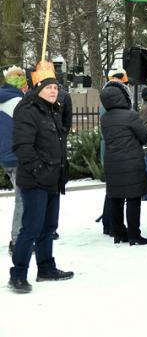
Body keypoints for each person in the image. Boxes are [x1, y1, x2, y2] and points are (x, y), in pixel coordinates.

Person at [8, 61, 74, 293]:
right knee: (31, 228)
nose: (54, 91)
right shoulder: (28, 110)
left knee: (48, 228)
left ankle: (46, 268)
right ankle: (18, 274)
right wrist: (39, 170)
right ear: (38, 89)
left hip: (53, 178)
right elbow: (22, 146)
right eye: (48, 88)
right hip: (35, 181)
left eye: (55, 87)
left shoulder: (52, 110)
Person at [100, 83, 147, 246]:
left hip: (112, 162)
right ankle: (134, 234)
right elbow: (143, 136)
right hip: (131, 161)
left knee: (116, 198)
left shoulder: (105, 118)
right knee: (133, 198)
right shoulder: (130, 115)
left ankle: (119, 233)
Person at [1, 66, 28, 254]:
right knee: (23, 200)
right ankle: (17, 240)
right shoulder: (19, 102)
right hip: (19, 157)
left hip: (5, 157)